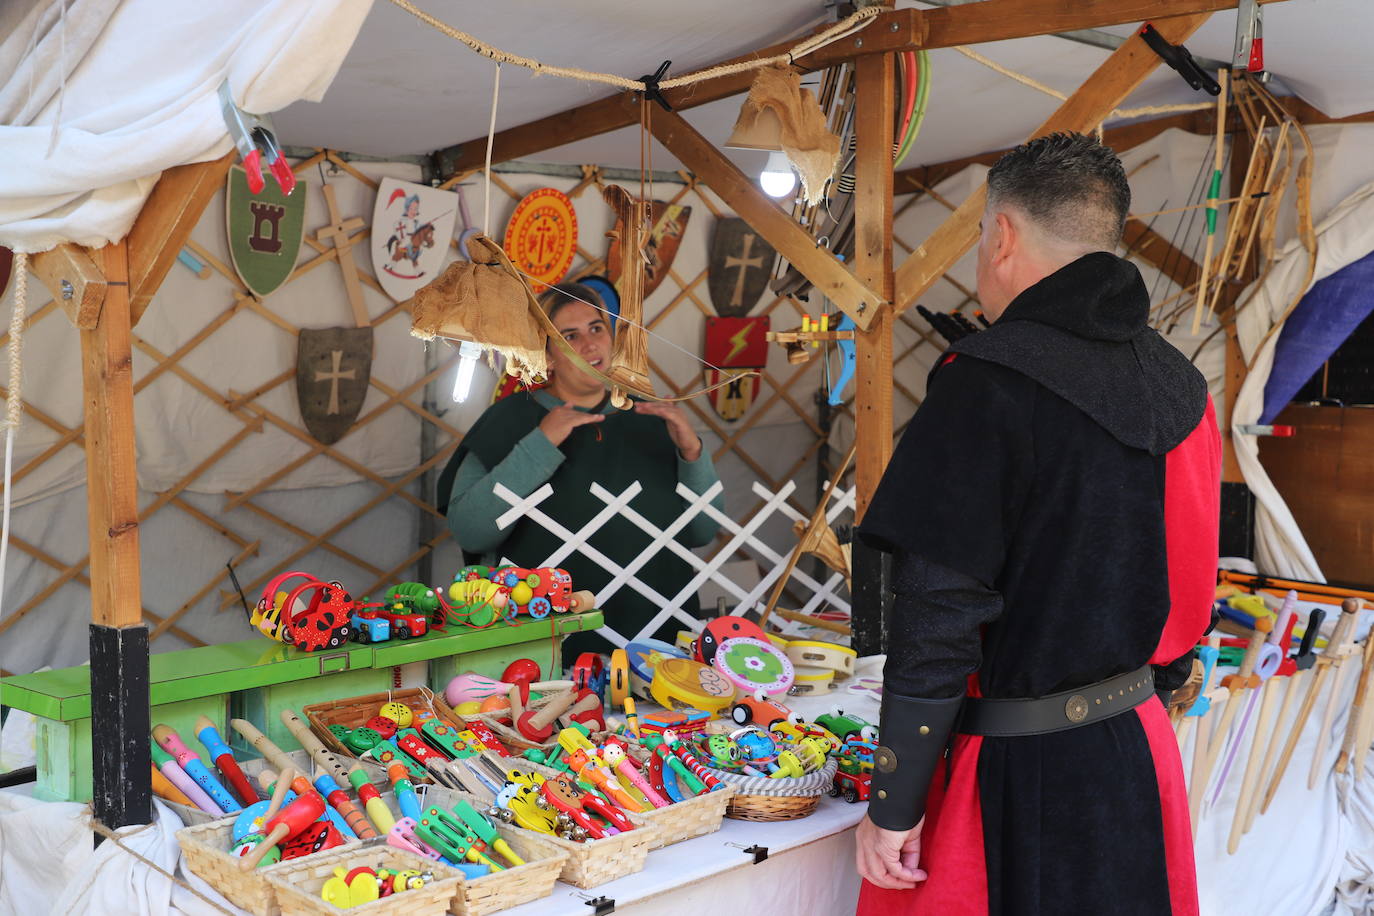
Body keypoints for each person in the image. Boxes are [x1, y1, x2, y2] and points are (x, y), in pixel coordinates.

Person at [853, 133, 1220, 915]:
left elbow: (939, 613)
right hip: (1135, 749)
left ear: (1003, 235)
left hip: (1018, 780)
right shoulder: (1181, 385)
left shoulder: (987, 381)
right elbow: (1190, 584)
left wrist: (896, 801)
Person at [436, 281, 723, 658]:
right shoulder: (509, 421)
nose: (589, 345)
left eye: (596, 328)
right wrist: (540, 443)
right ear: (547, 355)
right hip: (550, 646)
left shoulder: (651, 416)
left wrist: (691, 451)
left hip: (659, 639)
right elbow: (470, 531)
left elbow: (704, 532)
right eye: (569, 336)